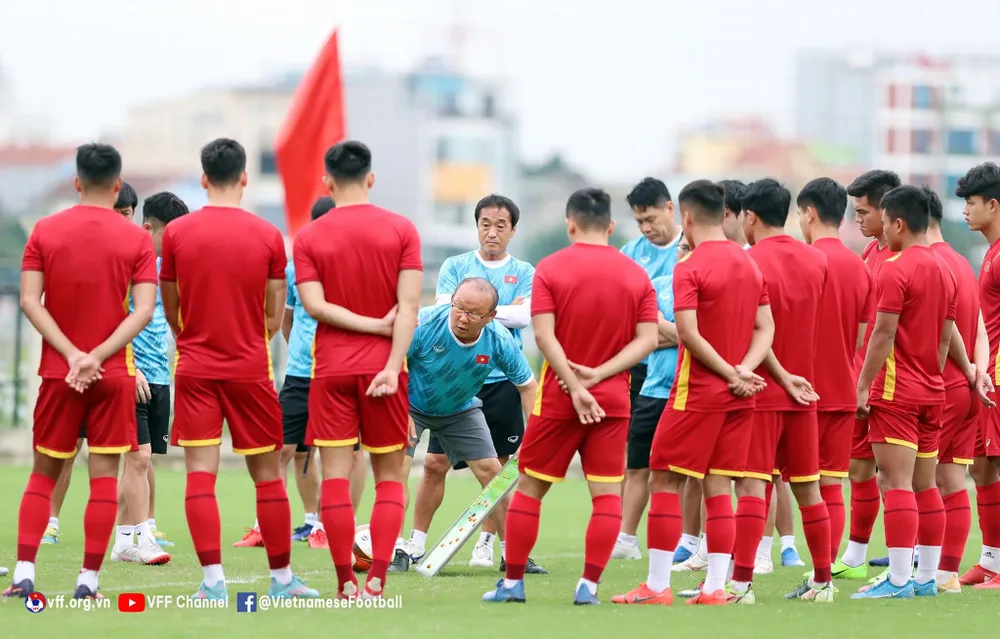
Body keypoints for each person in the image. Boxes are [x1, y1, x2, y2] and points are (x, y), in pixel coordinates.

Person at [483, 188, 658, 605]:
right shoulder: (635, 274)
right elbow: (649, 339)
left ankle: (512, 584)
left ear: (570, 224)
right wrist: (600, 375)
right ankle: (589, 587)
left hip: (560, 399)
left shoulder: (552, 267)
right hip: (613, 401)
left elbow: (543, 335)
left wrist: (576, 387)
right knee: (606, 495)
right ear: (611, 226)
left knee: (530, 489)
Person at [160, 138, 317, 601]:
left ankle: (212, 583)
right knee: (267, 475)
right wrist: (249, 340)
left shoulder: (176, 234)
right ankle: (283, 580)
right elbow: (274, 314)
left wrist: (193, 337)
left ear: (204, 179)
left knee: (200, 476)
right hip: (251, 367)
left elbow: (171, 307)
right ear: (245, 178)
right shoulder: (268, 236)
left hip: (195, 367)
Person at [4, 143, 157, 600]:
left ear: (76, 182)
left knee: (42, 474)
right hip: (112, 375)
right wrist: (97, 356)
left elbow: (31, 300)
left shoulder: (45, 230)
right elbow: (144, 311)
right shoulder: (137, 240)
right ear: (116, 186)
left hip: (59, 372)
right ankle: (88, 582)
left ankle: (24, 573)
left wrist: (73, 355)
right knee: (104, 477)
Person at [612, 179, 772, 607]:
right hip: (742, 394)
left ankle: (658, 586)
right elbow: (766, 328)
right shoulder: (749, 264)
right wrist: (744, 371)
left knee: (662, 477)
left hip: (697, 392)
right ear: (724, 212)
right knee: (720, 485)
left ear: (685, 216)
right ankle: (716, 588)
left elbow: (687, 333)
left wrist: (726, 372)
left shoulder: (689, 266)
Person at [294, 140, 422, 600]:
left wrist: (364, 325)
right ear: (371, 178)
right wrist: (390, 364)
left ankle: (344, 580)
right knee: (390, 477)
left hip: (329, 370)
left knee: (333, 477)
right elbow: (408, 310)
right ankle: (378, 579)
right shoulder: (401, 229)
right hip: (384, 371)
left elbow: (314, 306)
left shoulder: (308, 237)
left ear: (328, 182)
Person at [413, 194, 543, 574]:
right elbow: (442, 309)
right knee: (435, 463)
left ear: (513, 231)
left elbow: (524, 316)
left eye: (501, 225)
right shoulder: (455, 265)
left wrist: (482, 310)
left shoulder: (524, 271)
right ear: (477, 226)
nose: (492, 232)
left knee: (497, 469)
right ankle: (413, 545)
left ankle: (495, 546)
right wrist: (482, 309)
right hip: (443, 381)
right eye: (485, 223)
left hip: (500, 377)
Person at [40, 182, 174, 548]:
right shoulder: (97, 257)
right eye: (116, 213)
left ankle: (132, 533)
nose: (119, 222)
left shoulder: (152, 261)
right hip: (105, 369)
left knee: (140, 457)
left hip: (146, 373)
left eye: (126, 215)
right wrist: (123, 365)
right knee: (74, 450)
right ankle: (51, 523)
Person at [233, 196, 367, 551]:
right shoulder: (295, 270)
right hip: (300, 376)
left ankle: (333, 525)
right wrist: (302, 354)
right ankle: (266, 526)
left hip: (341, 374)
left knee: (346, 455)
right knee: (281, 450)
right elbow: (288, 321)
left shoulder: (356, 266)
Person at [851, 185, 957, 600]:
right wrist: (932, 374)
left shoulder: (895, 267)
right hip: (933, 390)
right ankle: (927, 577)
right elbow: (946, 338)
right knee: (925, 486)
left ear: (897, 223)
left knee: (893, 482)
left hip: (896, 392)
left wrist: (862, 386)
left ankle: (897, 580)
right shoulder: (945, 268)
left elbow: (882, 332)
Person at [730, 178, 833, 603]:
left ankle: (740, 585)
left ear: (749, 217)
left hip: (760, 391)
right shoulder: (816, 261)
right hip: (804, 392)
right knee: (810, 488)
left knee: (753, 487)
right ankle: (823, 583)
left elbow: (754, 331)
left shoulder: (746, 262)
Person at [394, 278, 538, 571]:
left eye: (474, 313)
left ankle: (513, 555)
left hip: (460, 409)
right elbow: (394, 364)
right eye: (458, 307)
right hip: (409, 405)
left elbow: (527, 385)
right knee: (398, 470)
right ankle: (398, 549)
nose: (463, 317)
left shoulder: (498, 339)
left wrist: (534, 430)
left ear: (490, 317)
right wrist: (399, 410)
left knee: (493, 474)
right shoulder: (423, 324)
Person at [796, 177, 873, 577]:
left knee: (767, 481)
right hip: (842, 387)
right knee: (831, 483)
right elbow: (861, 337)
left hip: (798, 390)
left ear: (809, 213)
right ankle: (823, 573)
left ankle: (742, 571)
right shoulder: (859, 266)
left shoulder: (802, 260)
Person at [109, 191, 190, 566]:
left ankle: (123, 540)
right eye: (170, 235)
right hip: (131, 374)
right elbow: (110, 318)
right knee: (138, 458)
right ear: (147, 228)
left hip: (160, 376)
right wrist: (130, 367)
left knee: (141, 461)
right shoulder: (126, 263)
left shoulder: (169, 268)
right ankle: (143, 537)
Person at [925, 185, 993, 593]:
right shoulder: (963, 264)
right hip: (969, 387)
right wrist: (978, 371)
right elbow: (982, 326)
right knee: (953, 481)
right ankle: (946, 573)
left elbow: (944, 327)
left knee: (917, 480)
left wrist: (967, 366)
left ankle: (913, 571)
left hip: (940, 386)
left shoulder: (928, 263)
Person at [613, 177, 683, 562]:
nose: (646, 229)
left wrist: (663, 332)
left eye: (651, 219)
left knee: (684, 468)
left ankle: (691, 541)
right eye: (639, 221)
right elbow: (629, 319)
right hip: (642, 372)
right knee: (637, 459)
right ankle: (625, 537)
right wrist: (676, 335)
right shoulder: (630, 254)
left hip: (689, 371)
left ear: (670, 209)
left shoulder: (691, 248)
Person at [836, 169, 902, 578]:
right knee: (858, 468)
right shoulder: (869, 254)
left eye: (864, 211)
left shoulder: (905, 258)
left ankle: (912, 561)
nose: (857, 219)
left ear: (887, 210)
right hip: (863, 377)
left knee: (900, 475)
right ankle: (856, 557)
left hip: (894, 382)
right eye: (854, 211)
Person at [956, 162, 1000, 588]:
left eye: (970, 203)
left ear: (992, 203)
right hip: (986, 377)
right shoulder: (991, 252)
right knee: (983, 468)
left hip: (999, 377)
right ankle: (991, 560)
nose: (965, 211)